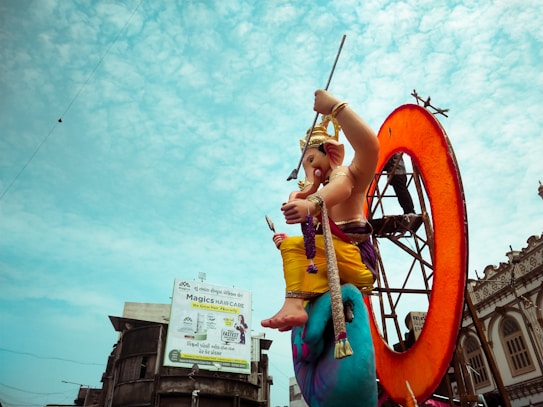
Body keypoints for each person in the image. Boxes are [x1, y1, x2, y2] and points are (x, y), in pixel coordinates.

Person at [261, 89, 380, 331]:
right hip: (333, 258)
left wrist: (337, 108)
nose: (309, 170)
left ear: (331, 153)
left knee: (296, 247)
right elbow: (313, 239)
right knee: (291, 245)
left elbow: (369, 149)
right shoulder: (321, 194)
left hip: (357, 259)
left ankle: (293, 305)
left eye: (312, 161)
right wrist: (285, 238)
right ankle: (296, 308)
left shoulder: (345, 175)